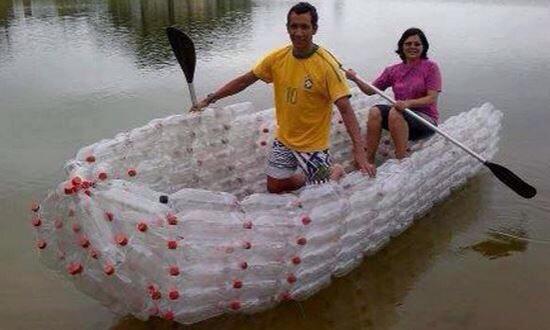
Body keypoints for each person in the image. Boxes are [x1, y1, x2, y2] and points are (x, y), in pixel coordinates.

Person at [192, 2, 376, 193]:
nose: (298, 33)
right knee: (275, 187)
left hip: (313, 145)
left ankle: (334, 171)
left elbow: (345, 109)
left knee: (322, 195)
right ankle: (311, 176)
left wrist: (359, 152)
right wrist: (211, 98)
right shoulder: (277, 58)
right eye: (293, 26)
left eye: (304, 27)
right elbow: (245, 81)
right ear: (287, 27)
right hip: (285, 139)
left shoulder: (327, 66)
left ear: (314, 29)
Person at [345, 27, 442, 163]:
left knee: (395, 112)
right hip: (401, 116)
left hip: (425, 121)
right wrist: (355, 78)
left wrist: (408, 103)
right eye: (408, 44)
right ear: (402, 46)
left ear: (423, 47)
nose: (412, 47)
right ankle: (368, 160)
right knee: (375, 111)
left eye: (417, 44)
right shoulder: (393, 70)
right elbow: (370, 90)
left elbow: (431, 98)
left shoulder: (431, 67)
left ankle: (401, 160)